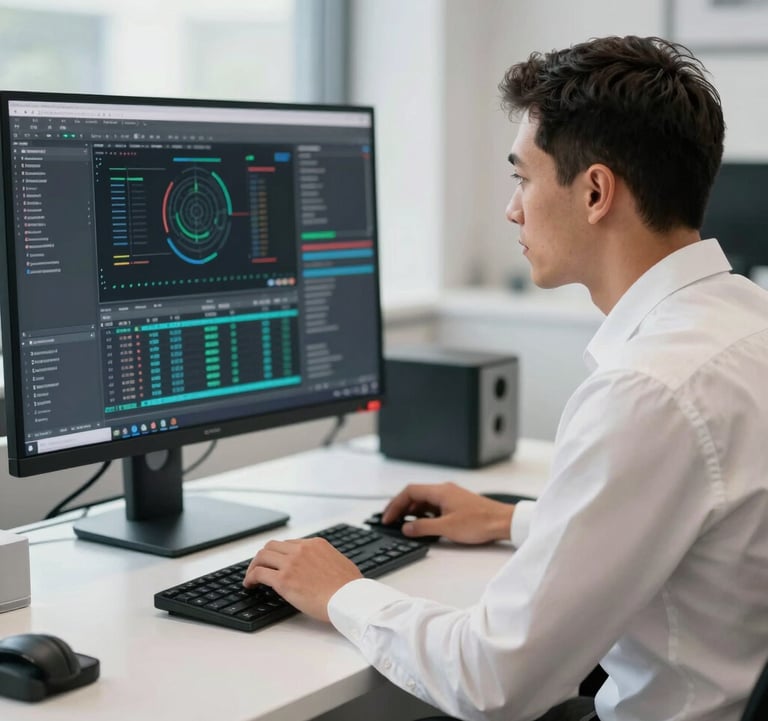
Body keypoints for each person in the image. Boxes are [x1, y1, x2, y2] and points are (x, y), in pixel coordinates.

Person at [244, 35, 768, 721]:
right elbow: (693, 529)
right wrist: (516, 519)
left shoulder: (649, 389)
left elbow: (492, 680)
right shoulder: (743, 322)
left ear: (596, 191)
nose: (512, 209)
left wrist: (341, 588)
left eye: (522, 177)